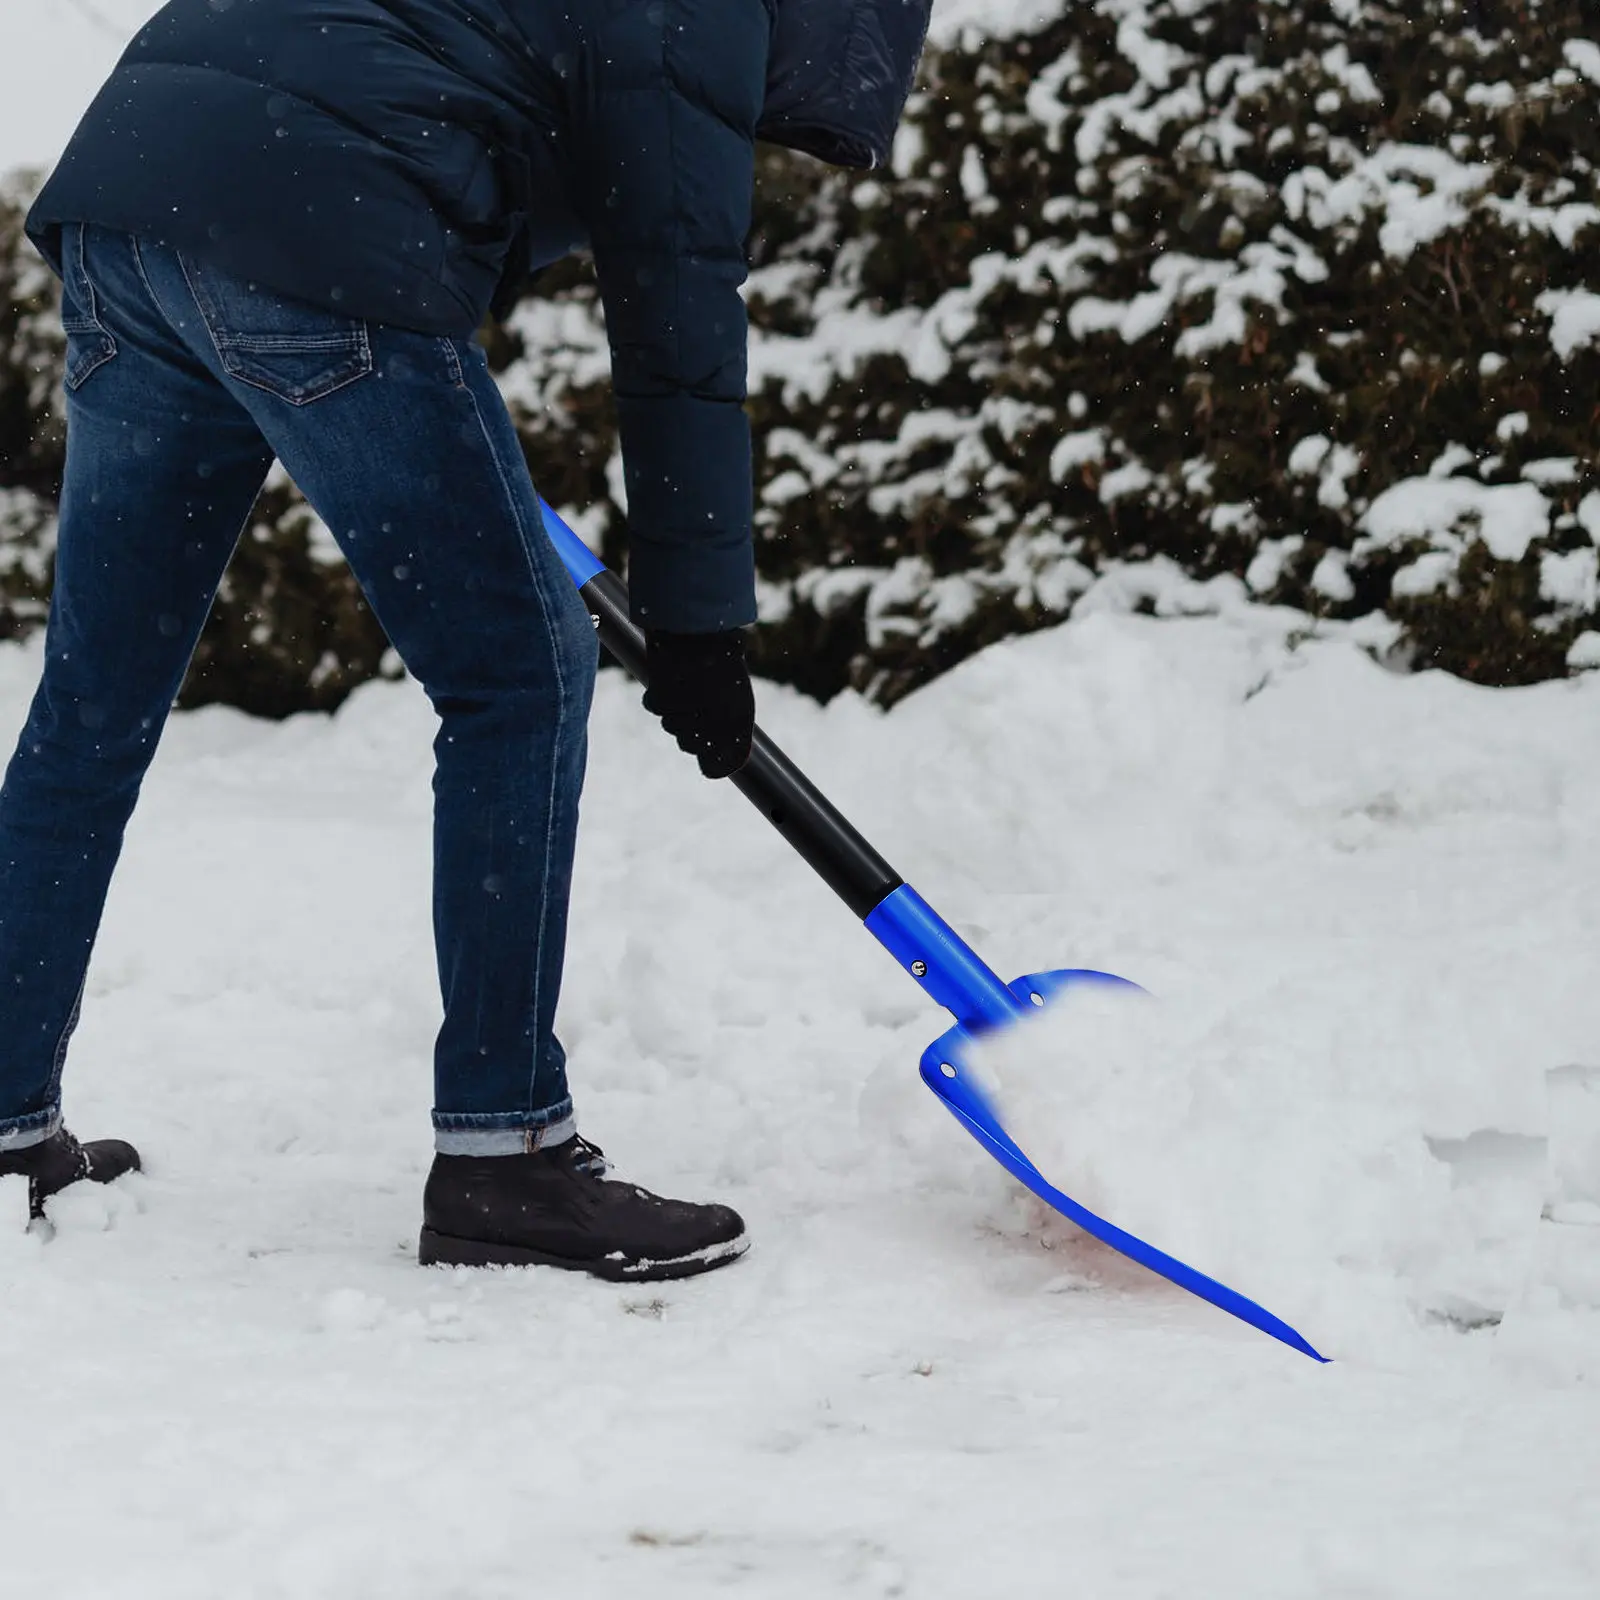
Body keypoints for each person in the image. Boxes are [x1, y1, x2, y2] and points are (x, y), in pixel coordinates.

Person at [0, 0, 928, 1278]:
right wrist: (702, 623)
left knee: (91, 705)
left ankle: (1, 1127)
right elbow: (678, 324)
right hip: (311, 231)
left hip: (135, 204)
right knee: (523, 676)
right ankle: (508, 1158)